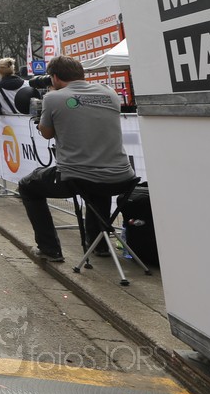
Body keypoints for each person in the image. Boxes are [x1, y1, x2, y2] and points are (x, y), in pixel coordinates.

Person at [20, 55, 136, 263]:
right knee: (98, 184)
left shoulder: (53, 98)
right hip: (121, 177)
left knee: (28, 186)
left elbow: (46, 133)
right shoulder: (109, 92)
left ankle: (50, 249)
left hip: (78, 178)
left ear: (55, 77)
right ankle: (99, 245)